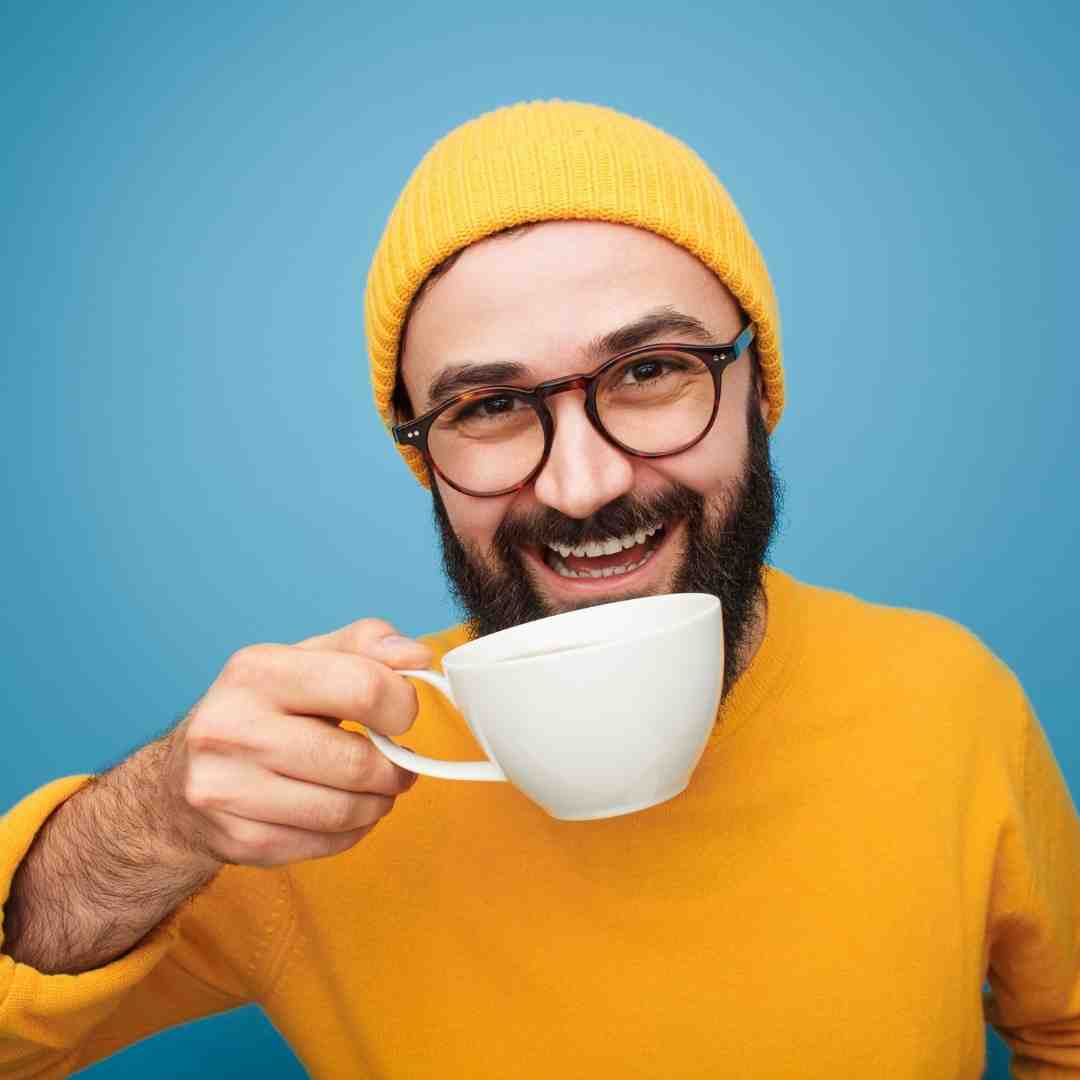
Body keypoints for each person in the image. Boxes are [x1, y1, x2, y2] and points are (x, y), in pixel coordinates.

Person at [1, 99, 1077, 1079]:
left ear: (760, 387)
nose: (581, 485)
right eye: (487, 407)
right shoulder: (320, 786)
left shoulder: (951, 700)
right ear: (425, 454)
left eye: (652, 371)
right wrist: (153, 822)